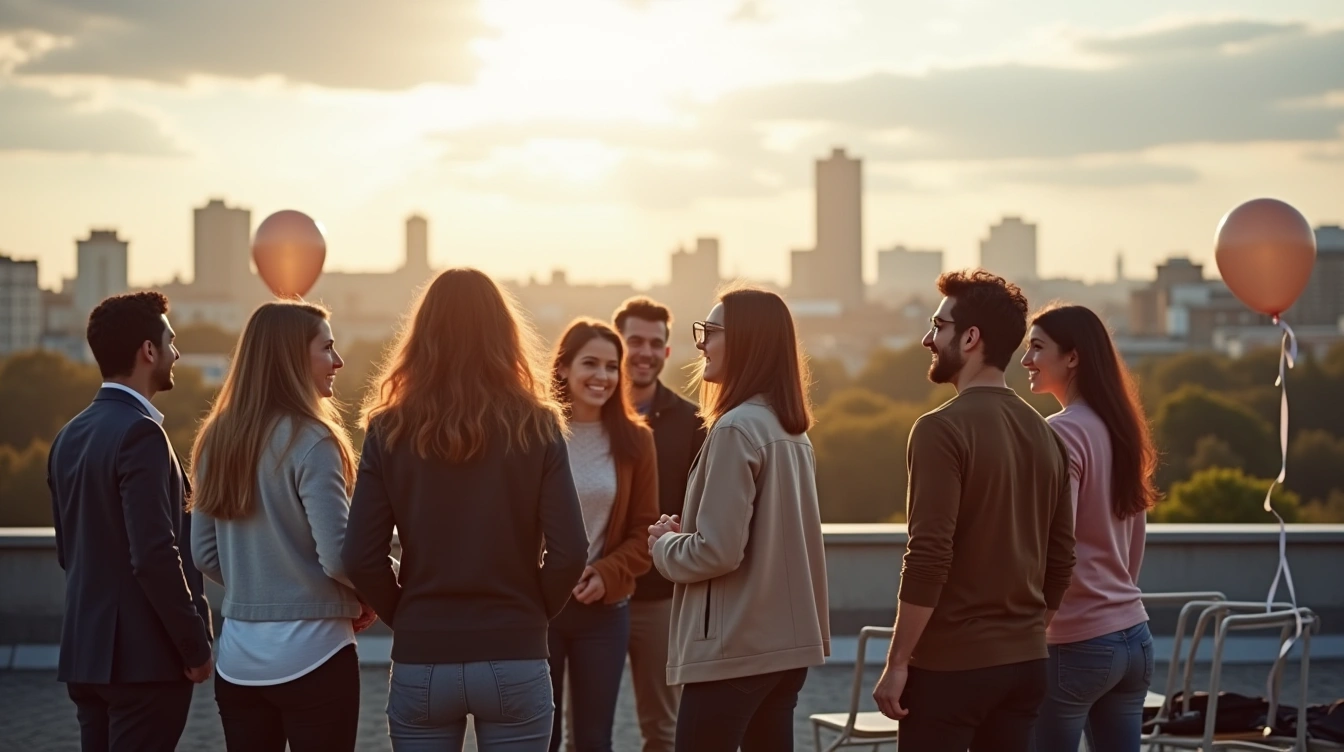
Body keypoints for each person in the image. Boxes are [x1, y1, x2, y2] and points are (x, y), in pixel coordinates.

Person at [342, 268, 589, 752]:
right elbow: (570, 552)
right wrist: (531, 613)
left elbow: (360, 556)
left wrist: (409, 615)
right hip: (515, 650)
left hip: (423, 655)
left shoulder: (389, 430)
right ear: (504, 334)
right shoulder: (538, 426)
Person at [871, 269, 1076, 752]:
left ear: (970, 337)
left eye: (938, 326)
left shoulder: (939, 430)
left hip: (951, 668)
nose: (927, 337)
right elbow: (1062, 557)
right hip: (1025, 666)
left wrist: (898, 662)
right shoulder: (1046, 434)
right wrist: (1022, 636)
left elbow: (928, 555)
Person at [649, 286, 830, 752]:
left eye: (711, 331)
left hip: (733, 651)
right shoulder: (789, 429)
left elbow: (717, 550)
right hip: (784, 651)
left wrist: (664, 546)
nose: (701, 343)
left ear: (747, 340)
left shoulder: (736, 428)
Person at [190, 301, 373, 751]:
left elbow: (204, 553)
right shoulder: (314, 440)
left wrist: (260, 582)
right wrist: (372, 588)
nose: (338, 361)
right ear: (292, 356)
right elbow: (336, 554)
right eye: (327, 348)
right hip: (315, 652)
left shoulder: (216, 438)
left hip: (238, 660)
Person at [47, 291, 214, 752]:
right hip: (144, 666)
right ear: (148, 351)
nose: (176, 353)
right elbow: (155, 555)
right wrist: (194, 648)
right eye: (171, 341)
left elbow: (69, 553)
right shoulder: (143, 433)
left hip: (86, 658)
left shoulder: (68, 436)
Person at [1021, 304, 1158, 752]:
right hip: (1133, 637)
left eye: (1037, 348)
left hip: (1075, 643)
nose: (1025, 360)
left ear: (1073, 357)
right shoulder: (1122, 431)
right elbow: (1134, 544)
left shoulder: (1060, 433)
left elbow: (1051, 545)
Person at [547, 318, 660, 752]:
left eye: (613, 367)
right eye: (590, 363)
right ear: (563, 369)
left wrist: (606, 573)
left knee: (594, 740)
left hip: (605, 610)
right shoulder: (537, 434)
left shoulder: (636, 441)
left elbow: (644, 530)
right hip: (541, 610)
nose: (603, 376)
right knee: (544, 736)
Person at [612, 297, 706, 752]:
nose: (644, 352)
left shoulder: (693, 422)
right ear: (618, 345)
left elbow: (702, 508)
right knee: (578, 730)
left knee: (663, 731)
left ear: (667, 352)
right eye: (634, 341)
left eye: (655, 343)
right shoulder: (579, 417)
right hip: (592, 595)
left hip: (660, 599)